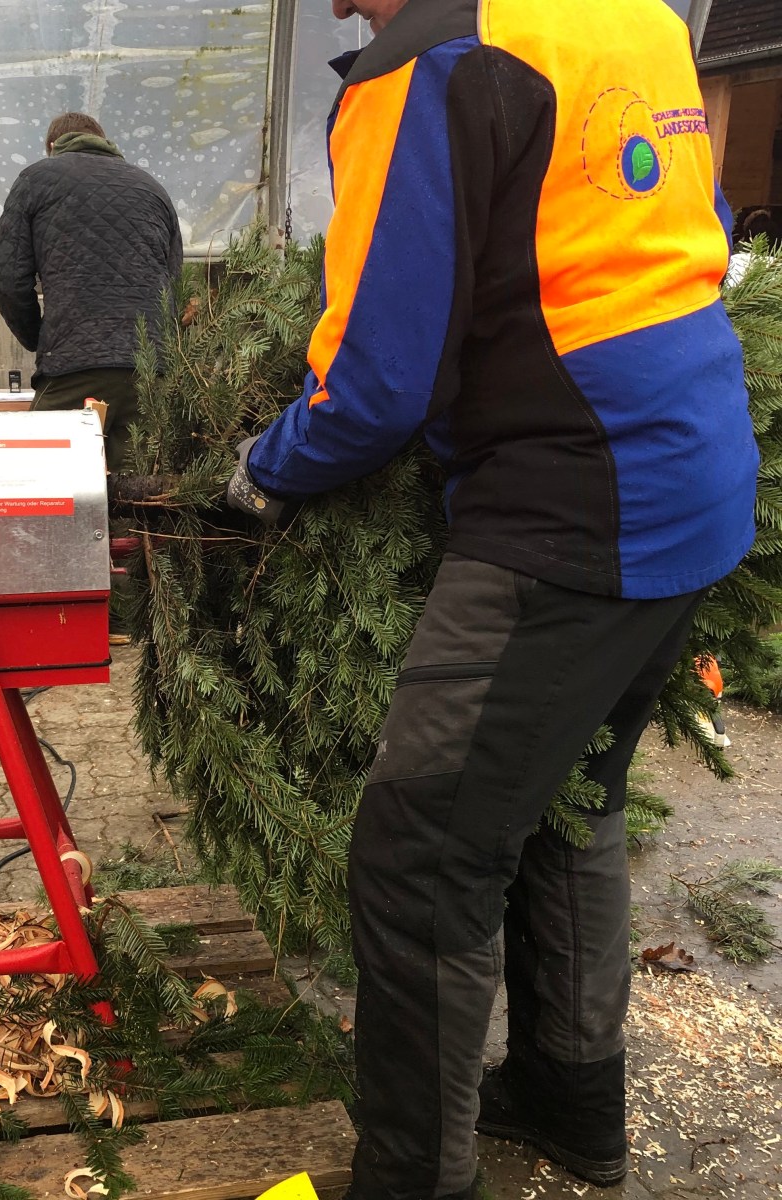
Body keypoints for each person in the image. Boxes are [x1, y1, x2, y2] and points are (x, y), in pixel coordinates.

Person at [226, 2, 759, 1198]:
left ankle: (413, 1179)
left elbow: (378, 380)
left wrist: (266, 466)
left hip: (572, 509)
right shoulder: (628, 16)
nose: (339, 8)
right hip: (699, 473)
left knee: (423, 851)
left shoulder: (427, 65)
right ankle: (572, 1102)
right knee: (572, 801)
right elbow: (703, 230)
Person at [0, 112, 182, 473]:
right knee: (142, 495)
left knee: (46, 488)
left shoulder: (36, 179)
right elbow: (173, 283)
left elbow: (8, 279)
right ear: (104, 141)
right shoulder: (153, 188)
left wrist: (39, 338)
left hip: (73, 369)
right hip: (150, 373)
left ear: (52, 146)